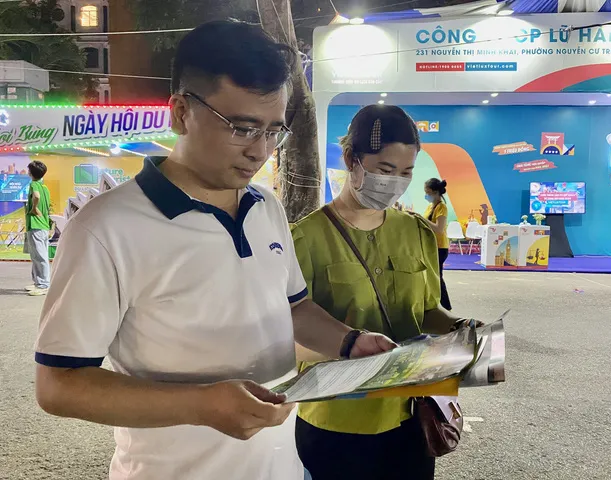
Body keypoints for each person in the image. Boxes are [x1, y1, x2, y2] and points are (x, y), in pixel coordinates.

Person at [34, 21, 394, 480]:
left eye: (273, 131)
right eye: (242, 128)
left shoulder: (266, 207)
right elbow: (59, 385)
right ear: (181, 112)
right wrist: (202, 404)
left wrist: (350, 342)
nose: (260, 151)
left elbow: (293, 308)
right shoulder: (105, 228)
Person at [291, 105, 478, 480]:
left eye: (406, 172)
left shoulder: (417, 232)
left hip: (410, 415)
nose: (395, 182)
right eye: (385, 170)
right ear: (351, 159)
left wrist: (461, 329)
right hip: (336, 419)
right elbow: (290, 336)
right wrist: (350, 343)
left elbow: (427, 311)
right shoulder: (304, 238)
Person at [424, 178, 452, 310]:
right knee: (432, 277)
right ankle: (437, 304)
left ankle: (446, 307)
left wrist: (421, 219)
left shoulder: (441, 207)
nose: (426, 195)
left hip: (439, 247)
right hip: (430, 246)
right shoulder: (430, 206)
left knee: (437, 278)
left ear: (435, 192)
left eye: (428, 192)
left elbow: (439, 229)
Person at [24, 160, 52, 296]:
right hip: (43, 225)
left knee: (39, 256)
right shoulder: (45, 188)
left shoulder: (34, 184)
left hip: (36, 225)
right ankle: (38, 282)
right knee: (37, 256)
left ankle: (43, 285)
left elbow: (36, 196)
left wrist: (34, 208)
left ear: (30, 172)